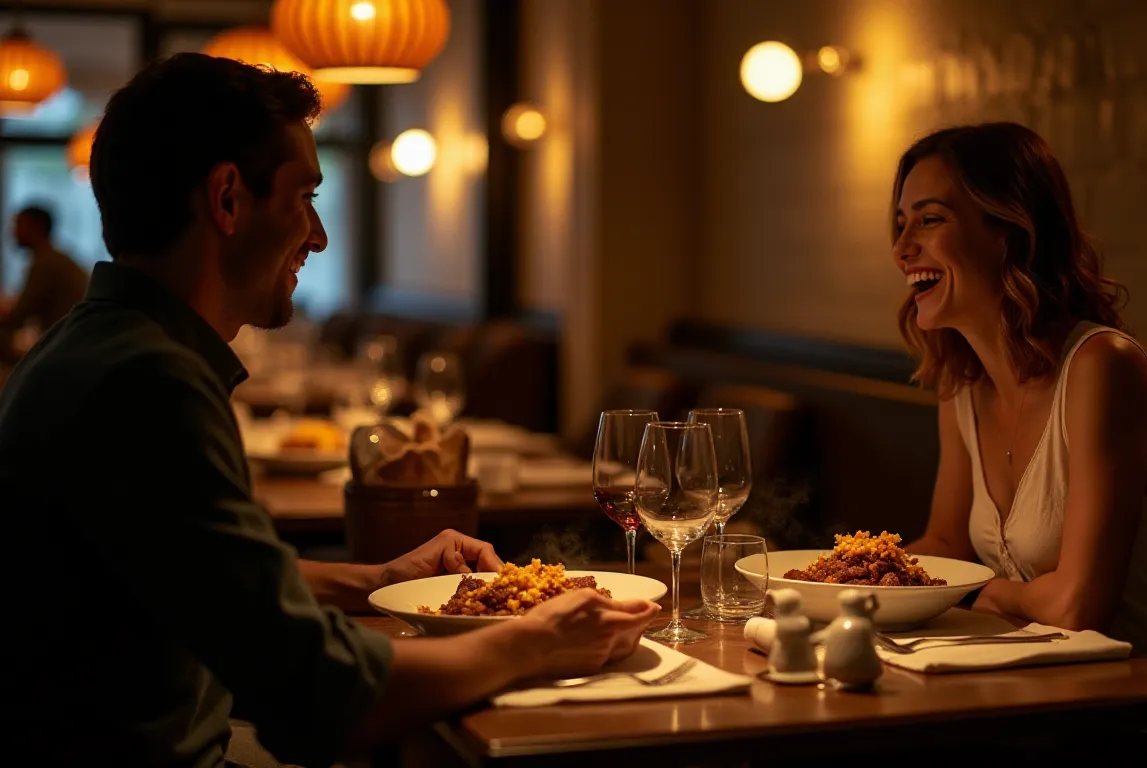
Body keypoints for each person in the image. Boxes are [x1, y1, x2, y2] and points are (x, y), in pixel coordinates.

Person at [0, 53, 657, 767]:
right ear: (227, 200)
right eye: (303, 198)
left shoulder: (97, 342)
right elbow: (323, 698)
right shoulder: (149, 382)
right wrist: (538, 641)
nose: (317, 236)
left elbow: (197, 576)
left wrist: (374, 579)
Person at [893, 123, 1147, 767]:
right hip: (1041, 711)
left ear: (1008, 231)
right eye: (901, 223)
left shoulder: (1103, 366)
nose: (903, 247)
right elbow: (945, 547)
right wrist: (817, 585)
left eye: (928, 220)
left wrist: (995, 593)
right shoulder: (960, 383)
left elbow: (1076, 605)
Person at [0, 206, 89, 361]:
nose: (12, 232)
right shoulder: (54, 257)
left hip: (65, 349)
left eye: (19, 225)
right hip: (74, 341)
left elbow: (20, 314)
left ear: (37, 228)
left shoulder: (45, 263)